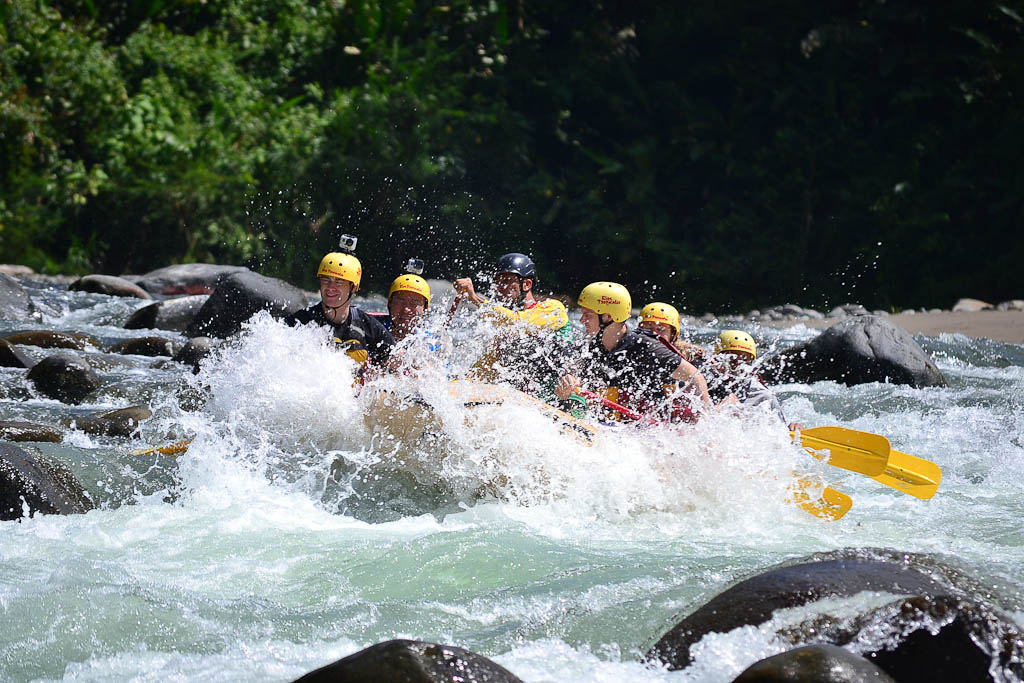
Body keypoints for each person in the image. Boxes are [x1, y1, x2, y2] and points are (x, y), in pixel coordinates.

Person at [555, 282, 711, 420]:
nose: (582, 321)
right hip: (606, 424)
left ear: (608, 317)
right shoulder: (587, 347)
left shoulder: (647, 347)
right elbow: (564, 388)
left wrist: (704, 422)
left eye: (587, 315)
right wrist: (565, 387)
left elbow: (695, 377)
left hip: (645, 429)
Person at [452, 252, 582, 414]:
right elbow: (485, 369)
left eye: (507, 281)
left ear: (526, 284)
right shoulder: (506, 333)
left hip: (566, 400)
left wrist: (474, 298)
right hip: (529, 404)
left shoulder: (553, 309)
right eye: (498, 282)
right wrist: (455, 386)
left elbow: (517, 322)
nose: (501, 287)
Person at [284, 250, 394, 369]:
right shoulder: (300, 321)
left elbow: (398, 364)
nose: (331, 287)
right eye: (326, 280)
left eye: (339, 282)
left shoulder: (368, 325)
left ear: (353, 287)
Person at [703, 330, 803, 431]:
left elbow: (781, 434)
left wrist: (792, 428)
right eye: (732, 359)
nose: (737, 366)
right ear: (716, 358)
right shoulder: (701, 380)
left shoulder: (764, 396)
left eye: (744, 360)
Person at [637, 301, 706, 362]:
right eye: (649, 328)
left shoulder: (691, 358)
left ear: (672, 335)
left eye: (661, 329)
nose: (654, 333)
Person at [384, 272, 431, 343]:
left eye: (414, 303)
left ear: (424, 309)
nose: (406, 310)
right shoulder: (371, 327)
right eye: (400, 301)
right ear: (390, 303)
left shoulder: (429, 340)